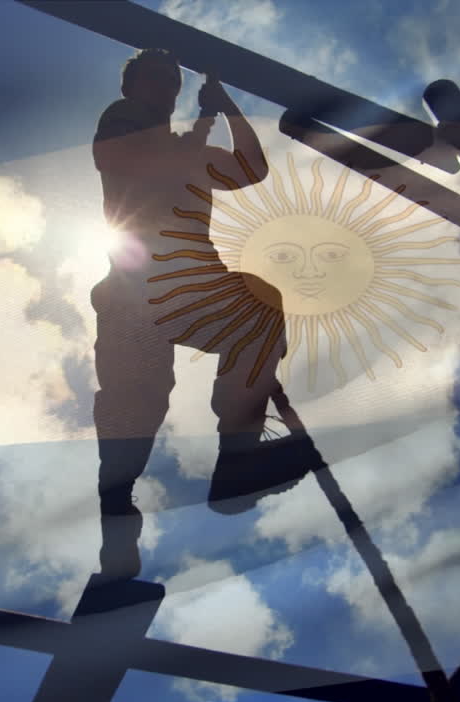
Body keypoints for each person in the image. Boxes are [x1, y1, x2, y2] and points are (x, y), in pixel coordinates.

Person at [90, 49, 321, 579]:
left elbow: (252, 168)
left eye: (169, 83)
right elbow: (144, 162)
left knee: (259, 308)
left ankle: (238, 457)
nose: (162, 92)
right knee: (136, 407)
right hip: (138, 286)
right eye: (154, 80)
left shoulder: (191, 151)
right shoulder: (121, 122)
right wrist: (205, 121)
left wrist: (226, 108)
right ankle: (118, 526)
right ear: (132, 88)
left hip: (188, 286)